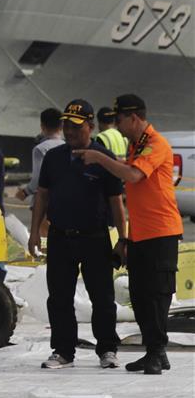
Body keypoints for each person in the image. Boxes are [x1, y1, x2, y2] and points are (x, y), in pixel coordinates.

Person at [75, 94, 183, 375]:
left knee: (157, 294)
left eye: (120, 120)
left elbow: (134, 176)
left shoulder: (155, 144)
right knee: (140, 293)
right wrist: (126, 239)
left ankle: (157, 351)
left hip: (161, 233)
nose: (117, 126)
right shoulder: (137, 145)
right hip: (141, 234)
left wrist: (98, 157)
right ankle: (154, 351)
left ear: (134, 117)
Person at [29, 100, 126, 370]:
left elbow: (116, 202)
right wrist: (35, 232)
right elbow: (43, 195)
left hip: (94, 237)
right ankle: (63, 350)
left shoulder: (102, 157)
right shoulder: (54, 158)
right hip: (61, 236)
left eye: (76, 126)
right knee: (59, 296)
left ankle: (107, 348)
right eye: (66, 126)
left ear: (90, 127)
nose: (70, 131)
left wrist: (123, 238)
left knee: (102, 296)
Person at [16, 108, 64, 207]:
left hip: (43, 201)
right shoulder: (67, 146)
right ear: (61, 126)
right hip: (62, 200)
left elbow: (37, 179)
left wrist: (25, 192)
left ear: (42, 126)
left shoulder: (40, 149)